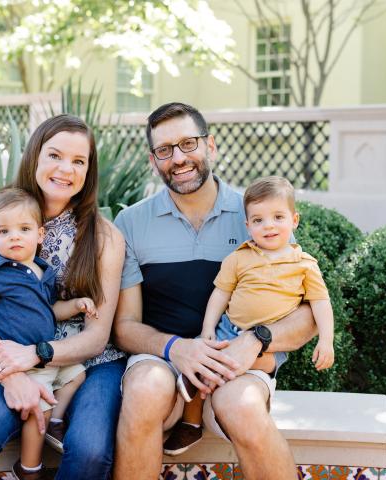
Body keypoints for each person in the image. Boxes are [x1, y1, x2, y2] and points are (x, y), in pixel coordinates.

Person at [112, 102, 318, 480]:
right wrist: (178, 348)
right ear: (153, 159)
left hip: (239, 360)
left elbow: (307, 315)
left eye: (188, 143)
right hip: (163, 360)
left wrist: (257, 341)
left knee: (242, 407)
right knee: (144, 391)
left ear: (211, 146)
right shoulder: (130, 222)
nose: (178, 158)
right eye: (165, 150)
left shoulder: (257, 214)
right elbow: (124, 326)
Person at [0, 114, 126, 480]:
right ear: (35, 157)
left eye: (79, 161)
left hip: (91, 363)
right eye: (55, 155)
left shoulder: (105, 237)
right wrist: (12, 375)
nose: (65, 169)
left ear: (89, 170)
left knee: (90, 451)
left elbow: (97, 335)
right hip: (13, 356)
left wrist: (38, 354)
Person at [163, 175, 335, 455]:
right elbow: (220, 294)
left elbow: (320, 303)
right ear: (248, 226)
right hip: (229, 329)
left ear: (294, 221)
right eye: (258, 220)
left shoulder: (304, 265)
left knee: (251, 364)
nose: (268, 226)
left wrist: (326, 341)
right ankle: (191, 423)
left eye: (278, 217)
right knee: (202, 358)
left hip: (267, 341)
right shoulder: (239, 258)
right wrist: (207, 329)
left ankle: (212, 383)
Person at [0, 188, 97, 478]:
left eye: (24, 229)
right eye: (5, 231)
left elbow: (49, 310)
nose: (15, 236)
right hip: (15, 358)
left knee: (78, 374)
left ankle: (57, 418)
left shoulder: (42, 271)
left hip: (43, 355)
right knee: (37, 410)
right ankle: (30, 467)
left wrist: (75, 306)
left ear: (40, 235)